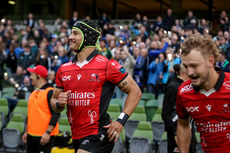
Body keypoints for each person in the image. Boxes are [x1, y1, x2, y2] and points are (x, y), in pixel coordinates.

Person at [50, 19, 142, 153]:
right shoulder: (63, 69)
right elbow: (54, 102)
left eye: (75, 34)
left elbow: (136, 91)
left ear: (87, 37)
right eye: (71, 34)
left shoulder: (107, 65)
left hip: (99, 132)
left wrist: (121, 121)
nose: (70, 37)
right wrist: (59, 103)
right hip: (76, 135)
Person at [176, 33, 230, 153]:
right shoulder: (183, 92)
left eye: (194, 66)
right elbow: (183, 124)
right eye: (186, 66)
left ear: (210, 61)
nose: (189, 72)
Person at [22, 65, 60, 153]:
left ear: (38, 76)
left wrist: (47, 133)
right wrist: (26, 131)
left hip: (44, 136)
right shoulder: (34, 92)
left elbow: (56, 114)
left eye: (32, 75)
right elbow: (31, 114)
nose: (30, 77)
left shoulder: (50, 92)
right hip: (31, 135)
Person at [162, 64, 197, 153]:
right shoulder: (173, 87)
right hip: (176, 134)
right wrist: (175, 133)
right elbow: (165, 114)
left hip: (190, 132)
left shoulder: (191, 86)